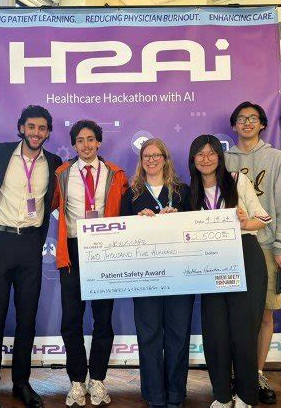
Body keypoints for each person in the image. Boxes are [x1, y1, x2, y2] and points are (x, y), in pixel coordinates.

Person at [0, 105, 62, 408]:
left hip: (30, 246)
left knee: (27, 319)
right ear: (21, 128)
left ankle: (21, 383)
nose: (36, 133)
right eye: (31, 126)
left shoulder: (53, 163)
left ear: (48, 133)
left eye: (42, 128)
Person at [188, 134, 272, 408]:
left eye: (211, 153)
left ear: (220, 156)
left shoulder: (237, 180)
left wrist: (244, 222)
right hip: (210, 262)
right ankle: (222, 395)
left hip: (245, 256)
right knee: (215, 332)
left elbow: (263, 218)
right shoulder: (191, 192)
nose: (206, 158)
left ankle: (246, 396)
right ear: (193, 159)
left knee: (244, 330)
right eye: (200, 154)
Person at [52, 120, 128, 407]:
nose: (86, 145)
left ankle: (97, 379)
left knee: (103, 319)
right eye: (80, 140)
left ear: (99, 142)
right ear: (74, 145)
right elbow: (48, 204)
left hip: (104, 249)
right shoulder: (62, 173)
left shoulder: (115, 174)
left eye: (91, 139)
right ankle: (76, 381)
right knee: (71, 320)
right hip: (72, 250)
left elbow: (127, 210)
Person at [225, 102, 281, 405]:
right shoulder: (224, 160)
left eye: (253, 118)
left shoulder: (276, 158)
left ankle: (257, 372)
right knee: (234, 314)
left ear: (263, 124)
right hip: (230, 246)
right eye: (241, 119)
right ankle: (233, 374)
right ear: (234, 125)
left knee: (264, 313)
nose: (247, 123)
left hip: (265, 246)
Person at [120, 138, 194, 408]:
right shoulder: (132, 194)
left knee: (178, 335)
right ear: (141, 161)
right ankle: (155, 396)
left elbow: (195, 230)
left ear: (165, 159)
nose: (151, 160)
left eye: (156, 155)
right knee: (149, 336)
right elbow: (122, 234)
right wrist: (137, 223)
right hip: (146, 277)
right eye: (146, 156)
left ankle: (175, 395)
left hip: (180, 276)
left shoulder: (183, 192)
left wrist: (179, 218)